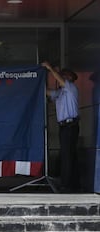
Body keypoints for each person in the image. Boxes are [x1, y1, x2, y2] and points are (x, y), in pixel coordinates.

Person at [42, 61, 80, 192]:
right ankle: (69, 182)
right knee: (67, 155)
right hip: (64, 127)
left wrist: (50, 69)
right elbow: (47, 92)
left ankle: (66, 185)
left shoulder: (71, 88)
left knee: (67, 156)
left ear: (70, 78)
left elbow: (58, 78)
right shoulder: (61, 92)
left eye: (65, 75)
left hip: (71, 125)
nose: (62, 76)